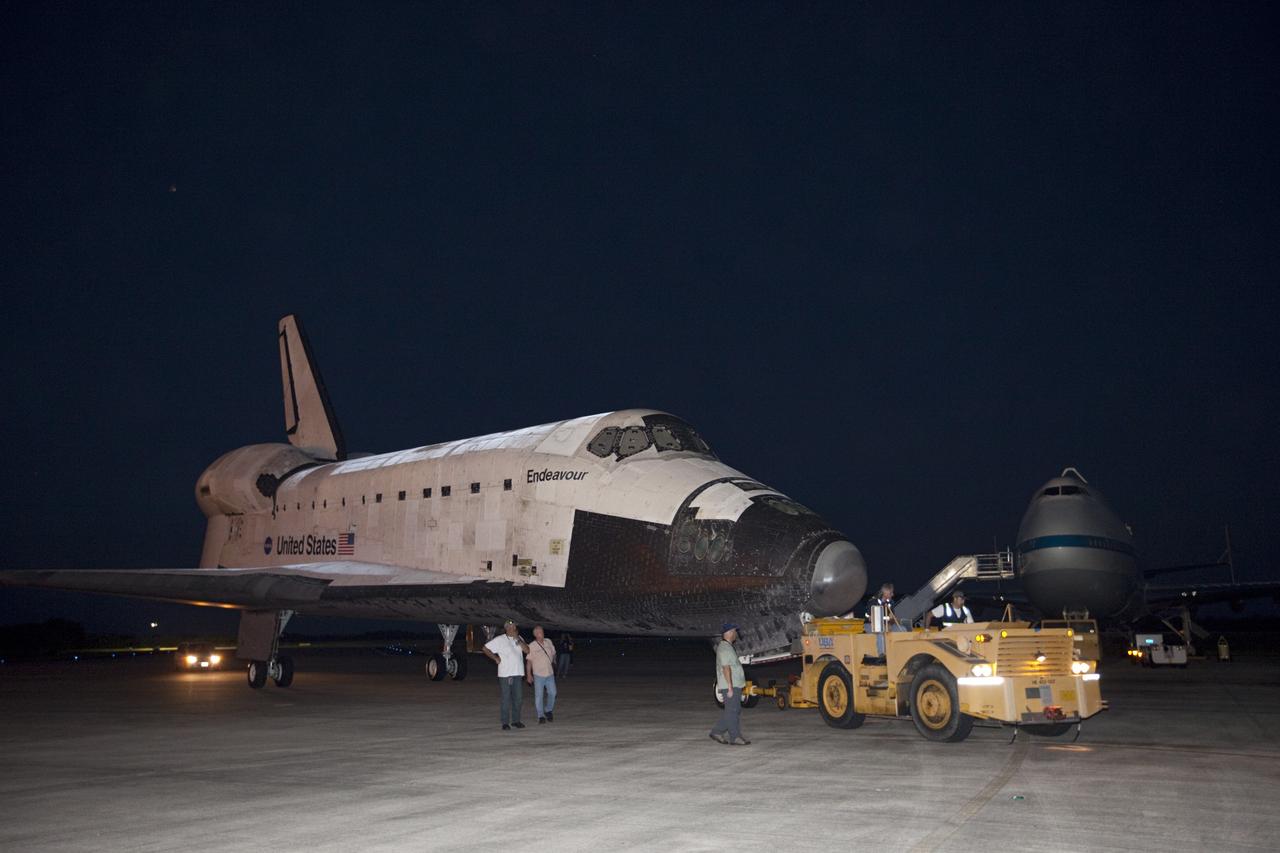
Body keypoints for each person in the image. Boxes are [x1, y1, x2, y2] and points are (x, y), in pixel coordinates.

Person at [482, 620, 529, 730]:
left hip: (518, 673)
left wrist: (518, 639)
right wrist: (495, 658)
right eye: (513, 627)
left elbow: (527, 651)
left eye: (515, 627)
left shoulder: (519, 638)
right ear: (507, 628)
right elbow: (485, 648)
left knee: (518, 698)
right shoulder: (500, 639)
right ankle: (505, 722)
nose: (515, 629)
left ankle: (516, 721)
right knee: (506, 698)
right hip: (506, 674)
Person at [709, 623, 750, 746]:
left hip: (733, 685)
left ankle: (717, 731)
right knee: (732, 711)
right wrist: (730, 687)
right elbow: (726, 668)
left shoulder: (727, 647)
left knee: (733, 711)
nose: (736, 634)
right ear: (730, 633)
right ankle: (735, 737)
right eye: (734, 631)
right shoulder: (725, 648)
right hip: (730, 686)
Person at [864, 582, 907, 659]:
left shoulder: (891, 603)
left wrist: (890, 623)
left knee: (903, 629)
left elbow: (891, 617)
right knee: (880, 632)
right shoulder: (873, 602)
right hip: (870, 625)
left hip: (886, 626)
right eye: (891, 593)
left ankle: (901, 652)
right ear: (885, 593)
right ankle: (882, 655)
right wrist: (883, 625)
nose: (892, 595)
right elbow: (871, 618)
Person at [525, 625, 558, 723]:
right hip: (538, 674)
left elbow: (553, 653)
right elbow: (529, 662)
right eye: (539, 632)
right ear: (535, 635)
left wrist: (554, 661)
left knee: (553, 693)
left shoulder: (549, 641)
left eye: (542, 632)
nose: (541, 634)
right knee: (539, 696)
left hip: (550, 673)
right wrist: (529, 675)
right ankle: (541, 716)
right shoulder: (532, 645)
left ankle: (548, 710)